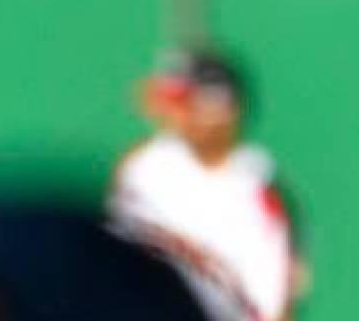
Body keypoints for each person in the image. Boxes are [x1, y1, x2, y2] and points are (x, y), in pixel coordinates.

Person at [109, 51, 308, 321]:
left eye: (187, 105)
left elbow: (275, 308)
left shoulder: (256, 195)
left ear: (224, 112)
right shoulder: (144, 166)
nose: (175, 116)